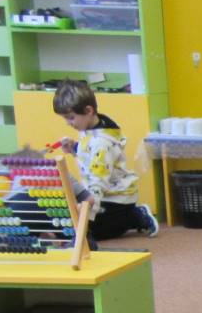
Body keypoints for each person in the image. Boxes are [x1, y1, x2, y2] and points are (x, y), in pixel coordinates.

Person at [52, 79, 157, 241]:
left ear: (88, 110)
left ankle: (135, 216)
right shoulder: (92, 127)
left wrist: (88, 213)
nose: (68, 123)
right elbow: (91, 156)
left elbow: (98, 181)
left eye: (71, 118)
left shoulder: (101, 143)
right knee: (73, 223)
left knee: (88, 231)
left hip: (115, 200)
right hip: (102, 194)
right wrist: (75, 148)